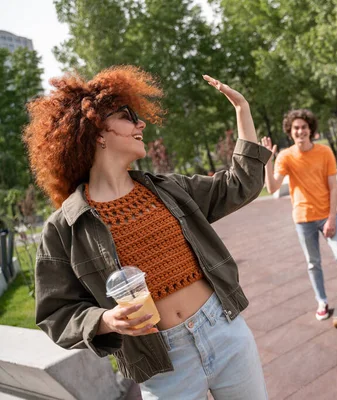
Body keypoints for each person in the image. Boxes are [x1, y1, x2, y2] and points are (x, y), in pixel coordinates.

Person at [24, 66, 270, 400]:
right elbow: (55, 312)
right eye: (127, 116)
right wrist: (106, 319)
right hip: (161, 363)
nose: (141, 124)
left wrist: (243, 110)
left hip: (225, 332)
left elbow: (240, 184)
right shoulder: (64, 227)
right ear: (97, 131)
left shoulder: (169, 189)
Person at [261, 109, 337, 320]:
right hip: (303, 218)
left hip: (326, 214)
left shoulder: (325, 152)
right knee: (313, 263)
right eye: (296, 128)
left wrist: (331, 218)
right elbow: (272, 187)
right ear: (290, 132)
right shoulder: (285, 156)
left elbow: (333, 188)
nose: (300, 131)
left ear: (310, 130)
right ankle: (322, 301)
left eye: (304, 127)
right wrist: (267, 161)